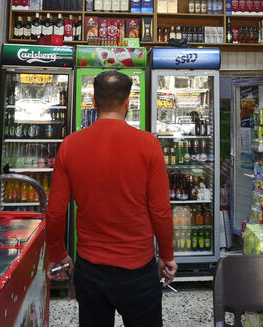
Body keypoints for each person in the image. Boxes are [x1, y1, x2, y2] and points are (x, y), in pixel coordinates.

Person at [46, 70, 177, 327]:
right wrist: (167, 255)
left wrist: (57, 253)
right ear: (128, 102)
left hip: (89, 267)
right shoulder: (148, 144)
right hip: (138, 269)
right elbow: (160, 210)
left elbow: (55, 211)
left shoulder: (70, 145)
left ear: (94, 101)